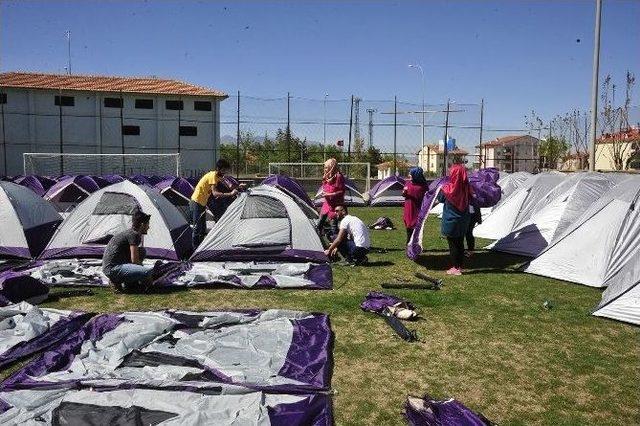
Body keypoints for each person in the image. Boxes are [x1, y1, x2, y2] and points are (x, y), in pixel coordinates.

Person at [190, 159, 238, 248]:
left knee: (202, 227)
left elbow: (228, 185)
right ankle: (194, 249)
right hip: (196, 202)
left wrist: (238, 186)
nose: (225, 172)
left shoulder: (218, 177)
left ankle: (200, 247)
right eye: (224, 170)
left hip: (203, 203)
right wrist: (231, 194)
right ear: (219, 169)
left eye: (226, 170)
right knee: (197, 227)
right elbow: (215, 193)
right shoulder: (213, 176)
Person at [102, 210, 154, 292]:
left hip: (111, 266)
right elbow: (135, 261)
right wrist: (147, 278)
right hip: (113, 269)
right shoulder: (134, 235)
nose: (149, 227)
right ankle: (115, 280)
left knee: (142, 251)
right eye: (148, 224)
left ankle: (129, 283)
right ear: (142, 224)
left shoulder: (131, 233)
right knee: (147, 272)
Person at [436, 164, 472, 276]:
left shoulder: (447, 188)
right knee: (460, 243)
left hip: (451, 221)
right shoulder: (467, 188)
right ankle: (459, 266)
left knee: (453, 245)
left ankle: (455, 268)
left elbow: (440, 199)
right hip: (463, 220)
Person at [317, 158, 345, 240]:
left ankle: (336, 244)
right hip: (326, 204)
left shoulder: (339, 177)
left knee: (334, 227)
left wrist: (329, 194)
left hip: (335, 206)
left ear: (332, 167)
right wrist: (324, 192)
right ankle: (318, 240)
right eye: (324, 167)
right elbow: (325, 187)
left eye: (326, 167)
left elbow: (341, 191)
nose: (325, 169)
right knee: (319, 224)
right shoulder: (326, 176)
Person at [403, 167, 428, 244]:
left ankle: (414, 244)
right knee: (408, 226)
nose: (409, 175)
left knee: (416, 227)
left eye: (411, 173)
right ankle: (409, 242)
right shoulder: (407, 183)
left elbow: (425, 198)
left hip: (417, 209)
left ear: (416, 175)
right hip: (408, 208)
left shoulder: (423, 187)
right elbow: (405, 192)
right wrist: (404, 193)